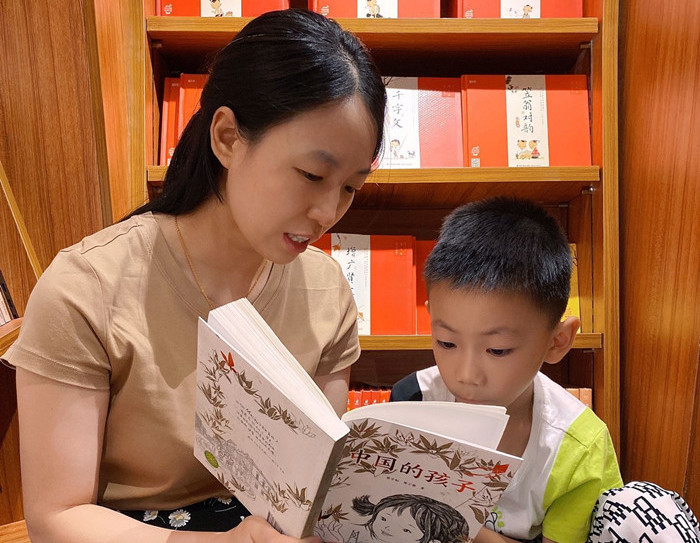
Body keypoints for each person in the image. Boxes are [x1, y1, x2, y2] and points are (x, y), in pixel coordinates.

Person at [7, 8, 386, 542]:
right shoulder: (88, 287)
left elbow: (310, 490)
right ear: (228, 137)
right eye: (312, 174)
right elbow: (56, 518)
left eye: (350, 187)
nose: (328, 212)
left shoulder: (325, 292)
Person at [390, 197, 623, 543]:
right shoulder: (412, 399)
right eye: (447, 342)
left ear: (557, 341)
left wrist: (461, 529)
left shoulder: (577, 449)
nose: (466, 374)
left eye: (497, 350)